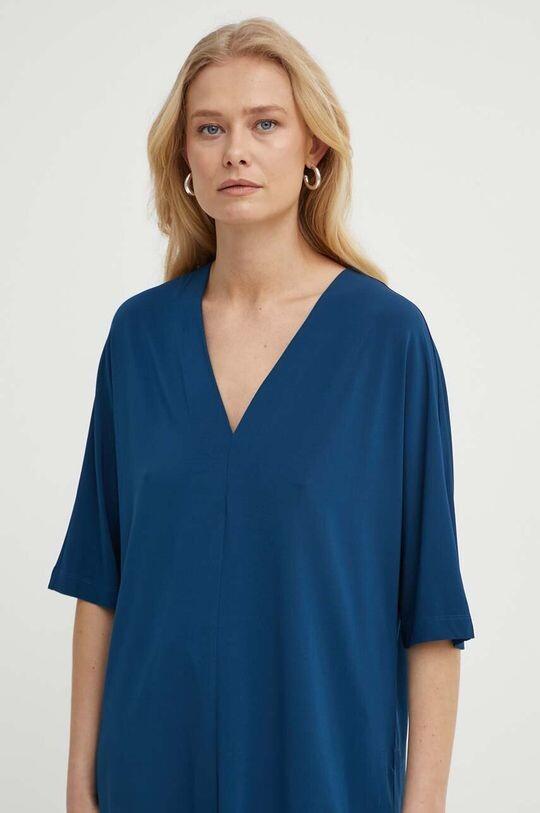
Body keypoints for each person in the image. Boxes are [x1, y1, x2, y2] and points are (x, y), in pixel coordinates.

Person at [47, 16, 475, 813]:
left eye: (265, 124)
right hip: (150, 774)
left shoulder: (387, 341)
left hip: (326, 777)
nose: (234, 151)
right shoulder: (139, 339)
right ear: (184, 157)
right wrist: (78, 786)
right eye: (209, 128)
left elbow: (432, 614)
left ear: (314, 147)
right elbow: (99, 584)